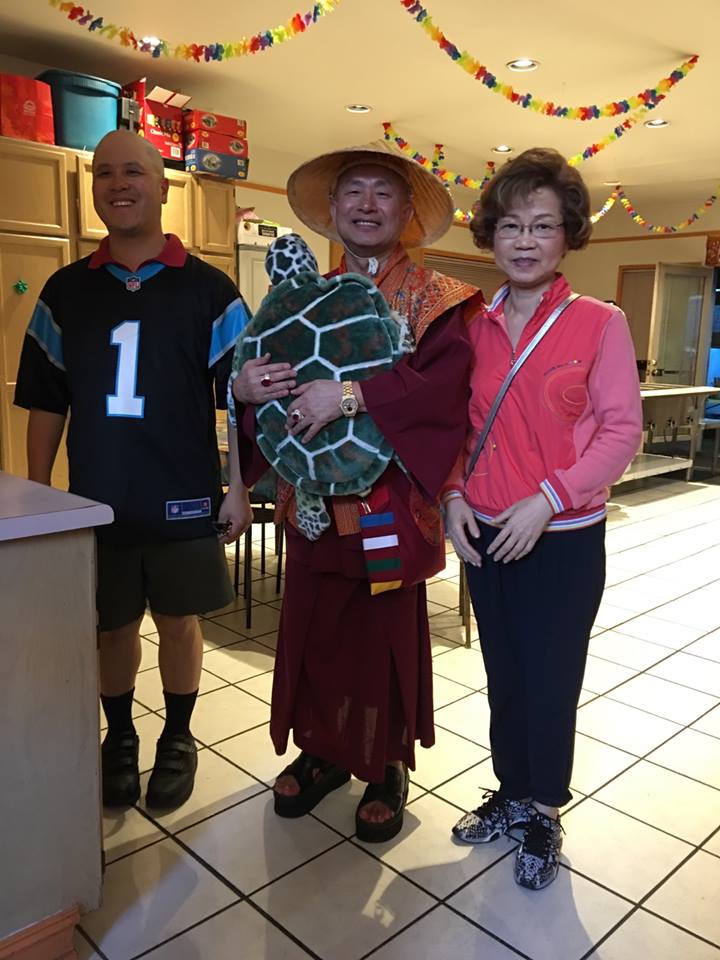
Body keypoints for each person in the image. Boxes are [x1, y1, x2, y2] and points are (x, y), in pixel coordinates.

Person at [231, 141, 482, 842]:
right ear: (333, 209)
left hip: (388, 510)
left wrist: (351, 394)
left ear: (405, 212)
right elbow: (264, 380)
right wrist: (244, 388)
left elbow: (446, 391)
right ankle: (322, 751)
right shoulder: (299, 297)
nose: (367, 205)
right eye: (353, 191)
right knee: (312, 630)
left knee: (382, 637)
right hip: (312, 505)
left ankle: (385, 764)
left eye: (383, 192)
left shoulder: (435, 300)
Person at [14, 130, 253, 810]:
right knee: (110, 627)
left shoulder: (209, 290)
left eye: (134, 172)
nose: (118, 184)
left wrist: (238, 487)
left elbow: (239, 400)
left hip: (184, 497)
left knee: (179, 622)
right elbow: (46, 400)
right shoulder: (65, 290)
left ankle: (177, 736)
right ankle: (118, 736)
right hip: (98, 499)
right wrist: (40, 497)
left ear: (163, 185)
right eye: (104, 174)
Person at [443, 148, 643, 889]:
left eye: (543, 225)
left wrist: (551, 497)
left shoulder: (599, 323)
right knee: (502, 675)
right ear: (491, 235)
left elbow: (621, 432)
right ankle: (510, 791)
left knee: (551, 680)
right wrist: (453, 497)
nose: (524, 240)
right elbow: (456, 429)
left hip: (561, 539)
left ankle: (544, 812)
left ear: (567, 236)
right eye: (511, 225)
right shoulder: (473, 325)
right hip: (485, 532)